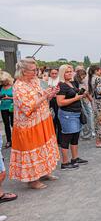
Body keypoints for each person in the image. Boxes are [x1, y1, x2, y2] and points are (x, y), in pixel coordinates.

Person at [9, 58, 60, 189]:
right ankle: (33, 180)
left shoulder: (34, 81)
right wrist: (43, 97)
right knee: (32, 151)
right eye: (33, 70)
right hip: (28, 126)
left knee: (44, 147)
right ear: (24, 71)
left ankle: (45, 172)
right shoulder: (18, 86)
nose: (36, 72)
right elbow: (28, 107)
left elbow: (40, 96)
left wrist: (50, 94)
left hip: (42, 120)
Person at [56, 64, 89, 170]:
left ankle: (75, 158)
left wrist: (81, 95)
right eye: (67, 72)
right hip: (67, 115)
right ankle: (64, 163)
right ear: (62, 73)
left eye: (71, 71)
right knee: (66, 138)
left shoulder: (72, 82)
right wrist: (76, 98)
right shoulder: (61, 85)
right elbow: (60, 102)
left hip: (76, 113)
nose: (70, 73)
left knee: (75, 137)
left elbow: (75, 96)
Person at [74, 69, 95, 140]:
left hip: (83, 99)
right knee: (87, 114)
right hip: (82, 99)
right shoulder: (79, 81)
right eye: (83, 75)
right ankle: (89, 131)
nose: (84, 77)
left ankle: (89, 131)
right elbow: (85, 91)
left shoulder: (80, 80)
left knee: (88, 114)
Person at [47, 68, 62, 145]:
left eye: (55, 73)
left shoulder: (60, 81)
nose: (54, 75)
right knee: (52, 120)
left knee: (58, 119)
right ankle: (53, 140)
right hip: (50, 101)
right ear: (50, 74)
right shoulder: (47, 80)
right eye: (52, 73)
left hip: (57, 100)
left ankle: (60, 140)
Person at [0, 71, 14, 148]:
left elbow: (18, 97)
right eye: (2, 81)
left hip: (12, 107)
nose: (4, 82)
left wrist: (8, 98)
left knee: (13, 124)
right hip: (3, 107)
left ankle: (15, 139)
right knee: (6, 125)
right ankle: (9, 140)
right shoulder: (0, 87)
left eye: (5, 81)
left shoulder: (13, 86)